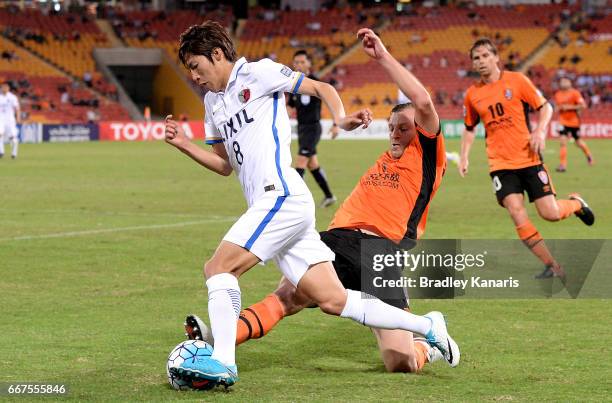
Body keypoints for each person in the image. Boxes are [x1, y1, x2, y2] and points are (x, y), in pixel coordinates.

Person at [164, 21, 457, 388]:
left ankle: (223, 358)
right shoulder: (212, 103)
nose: (193, 75)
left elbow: (323, 87)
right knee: (325, 298)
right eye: (393, 127)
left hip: (295, 202)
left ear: (218, 54)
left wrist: (340, 115)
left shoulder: (258, 73)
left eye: (196, 65)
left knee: (219, 268)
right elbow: (226, 165)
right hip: (332, 231)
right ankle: (427, 326)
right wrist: (184, 145)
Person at [459, 38, 595, 279]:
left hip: (529, 158)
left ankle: (576, 204)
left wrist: (540, 130)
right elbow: (470, 127)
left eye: (484, 56)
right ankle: (552, 265)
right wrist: (464, 156)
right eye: (475, 58)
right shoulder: (472, 94)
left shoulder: (517, 81)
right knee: (516, 211)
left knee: (550, 214)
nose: (479, 61)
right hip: (500, 164)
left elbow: (546, 107)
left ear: (496, 57)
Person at [287, 50, 337, 207]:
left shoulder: (316, 83)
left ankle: (293, 201)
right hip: (302, 129)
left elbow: (331, 101)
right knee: (312, 165)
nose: (299, 65)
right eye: (296, 62)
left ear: (309, 64)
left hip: (313, 128)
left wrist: (336, 123)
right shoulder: (293, 86)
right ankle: (329, 196)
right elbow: (290, 107)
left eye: (302, 62)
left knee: (300, 162)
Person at [553, 77, 592, 172]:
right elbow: (556, 108)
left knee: (578, 142)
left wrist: (569, 107)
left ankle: (589, 155)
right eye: (562, 81)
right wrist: (558, 108)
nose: (563, 83)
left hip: (574, 122)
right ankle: (563, 165)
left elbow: (583, 106)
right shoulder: (558, 94)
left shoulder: (575, 93)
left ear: (570, 83)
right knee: (562, 142)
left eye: (565, 81)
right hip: (563, 121)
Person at [0, 82, 20, 159]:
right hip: (0, 119)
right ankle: (1, 152)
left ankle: (14, 153)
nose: (4, 88)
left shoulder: (12, 97)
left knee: (13, 138)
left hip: (10, 120)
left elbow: (17, 108)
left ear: (8, 88)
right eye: (2, 87)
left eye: (5, 87)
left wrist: (18, 117)